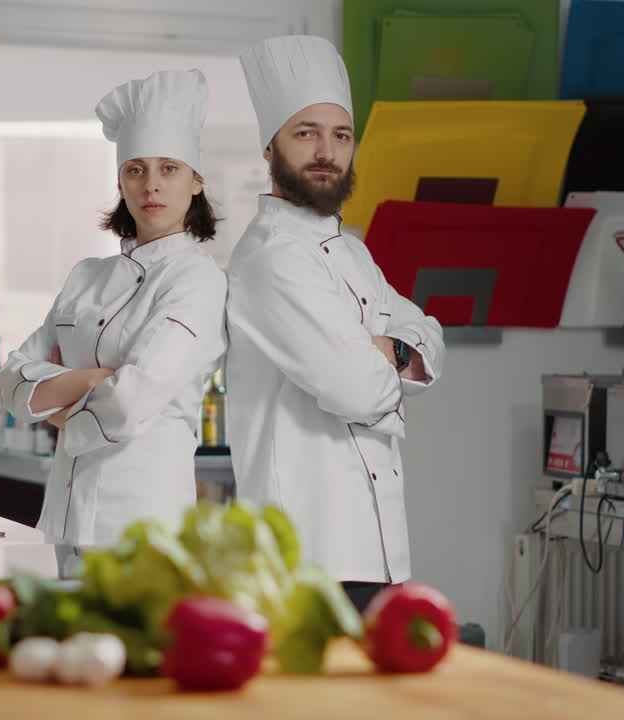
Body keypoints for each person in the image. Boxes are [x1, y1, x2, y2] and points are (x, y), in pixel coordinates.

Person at [226, 35, 446, 612]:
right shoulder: (271, 257)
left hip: (376, 547)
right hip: (306, 555)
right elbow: (357, 389)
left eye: (341, 135)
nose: (327, 151)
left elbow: (430, 335)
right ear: (269, 148)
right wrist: (396, 355)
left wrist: (385, 351)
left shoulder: (353, 252)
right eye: (306, 133)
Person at [0, 69, 227, 546]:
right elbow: (13, 381)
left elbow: (128, 401)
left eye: (169, 168)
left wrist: (57, 404)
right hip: (62, 518)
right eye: (135, 169)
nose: (151, 185)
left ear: (196, 181)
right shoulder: (86, 276)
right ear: (121, 182)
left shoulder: (198, 280)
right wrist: (92, 381)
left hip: (142, 527)